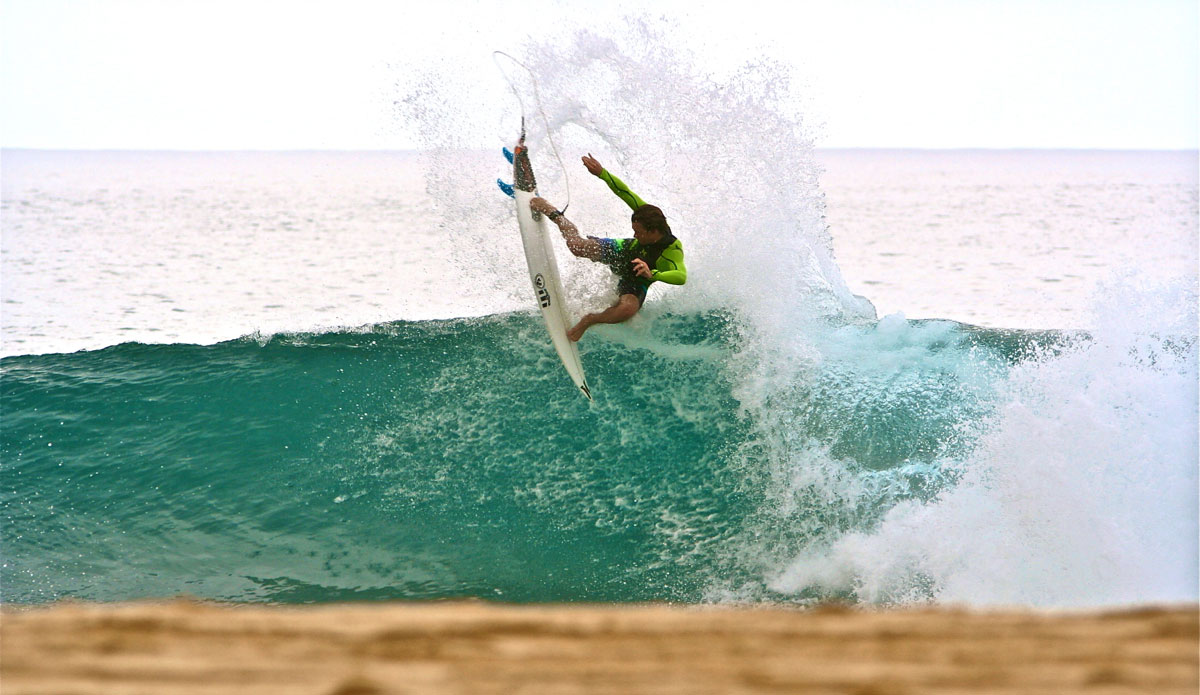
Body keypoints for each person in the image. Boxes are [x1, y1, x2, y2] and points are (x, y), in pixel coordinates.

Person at [530, 153, 686, 341]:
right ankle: (556, 215)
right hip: (623, 251)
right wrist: (602, 173)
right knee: (577, 246)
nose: (635, 234)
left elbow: (681, 275)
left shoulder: (672, 249)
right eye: (633, 230)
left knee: (628, 309)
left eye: (639, 232)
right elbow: (625, 192)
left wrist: (653, 275)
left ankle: (589, 320)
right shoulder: (647, 214)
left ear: (653, 232)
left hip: (637, 277)